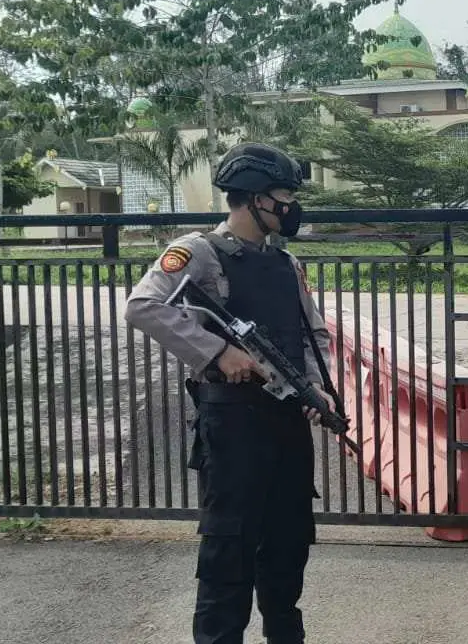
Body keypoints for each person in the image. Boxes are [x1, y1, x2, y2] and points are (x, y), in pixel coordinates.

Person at [123, 142, 336, 644]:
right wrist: (216, 353)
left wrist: (317, 389)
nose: (290, 206)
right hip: (233, 424)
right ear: (254, 198)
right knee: (230, 549)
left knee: (288, 543)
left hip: (287, 423)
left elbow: (314, 335)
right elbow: (143, 306)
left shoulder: (287, 263)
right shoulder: (198, 252)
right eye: (283, 195)